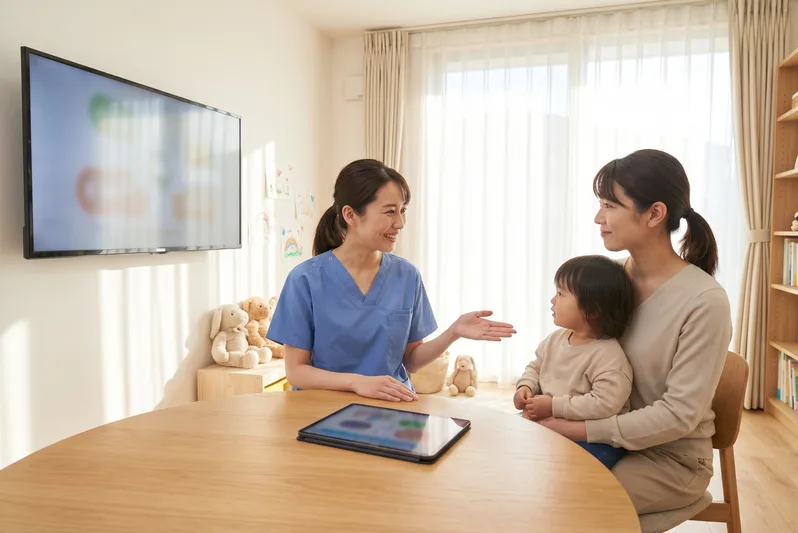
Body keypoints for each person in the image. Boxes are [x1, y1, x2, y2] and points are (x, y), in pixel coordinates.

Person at [534, 149, 733, 516]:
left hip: (668, 459)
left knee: (564, 506)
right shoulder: (609, 282)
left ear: (654, 213)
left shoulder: (704, 301)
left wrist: (576, 429)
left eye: (610, 205)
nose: (598, 217)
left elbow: (678, 415)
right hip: (599, 439)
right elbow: (571, 352)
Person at [266, 159, 516, 402]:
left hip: (391, 407)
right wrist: (357, 383)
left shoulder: (407, 276)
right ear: (351, 215)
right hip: (323, 409)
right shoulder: (304, 280)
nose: (400, 223)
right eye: (390, 212)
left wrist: (453, 332)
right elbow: (296, 371)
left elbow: (411, 360)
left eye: (403, 210)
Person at [514, 255, 635, 470]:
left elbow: (605, 404)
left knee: (571, 470)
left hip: (592, 439)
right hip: (549, 421)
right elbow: (535, 367)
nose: (553, 300)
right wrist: (526, 387)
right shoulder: (555, 339)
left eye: (561, 294)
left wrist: (553, 405)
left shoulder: (607, 355)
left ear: (593, 309)